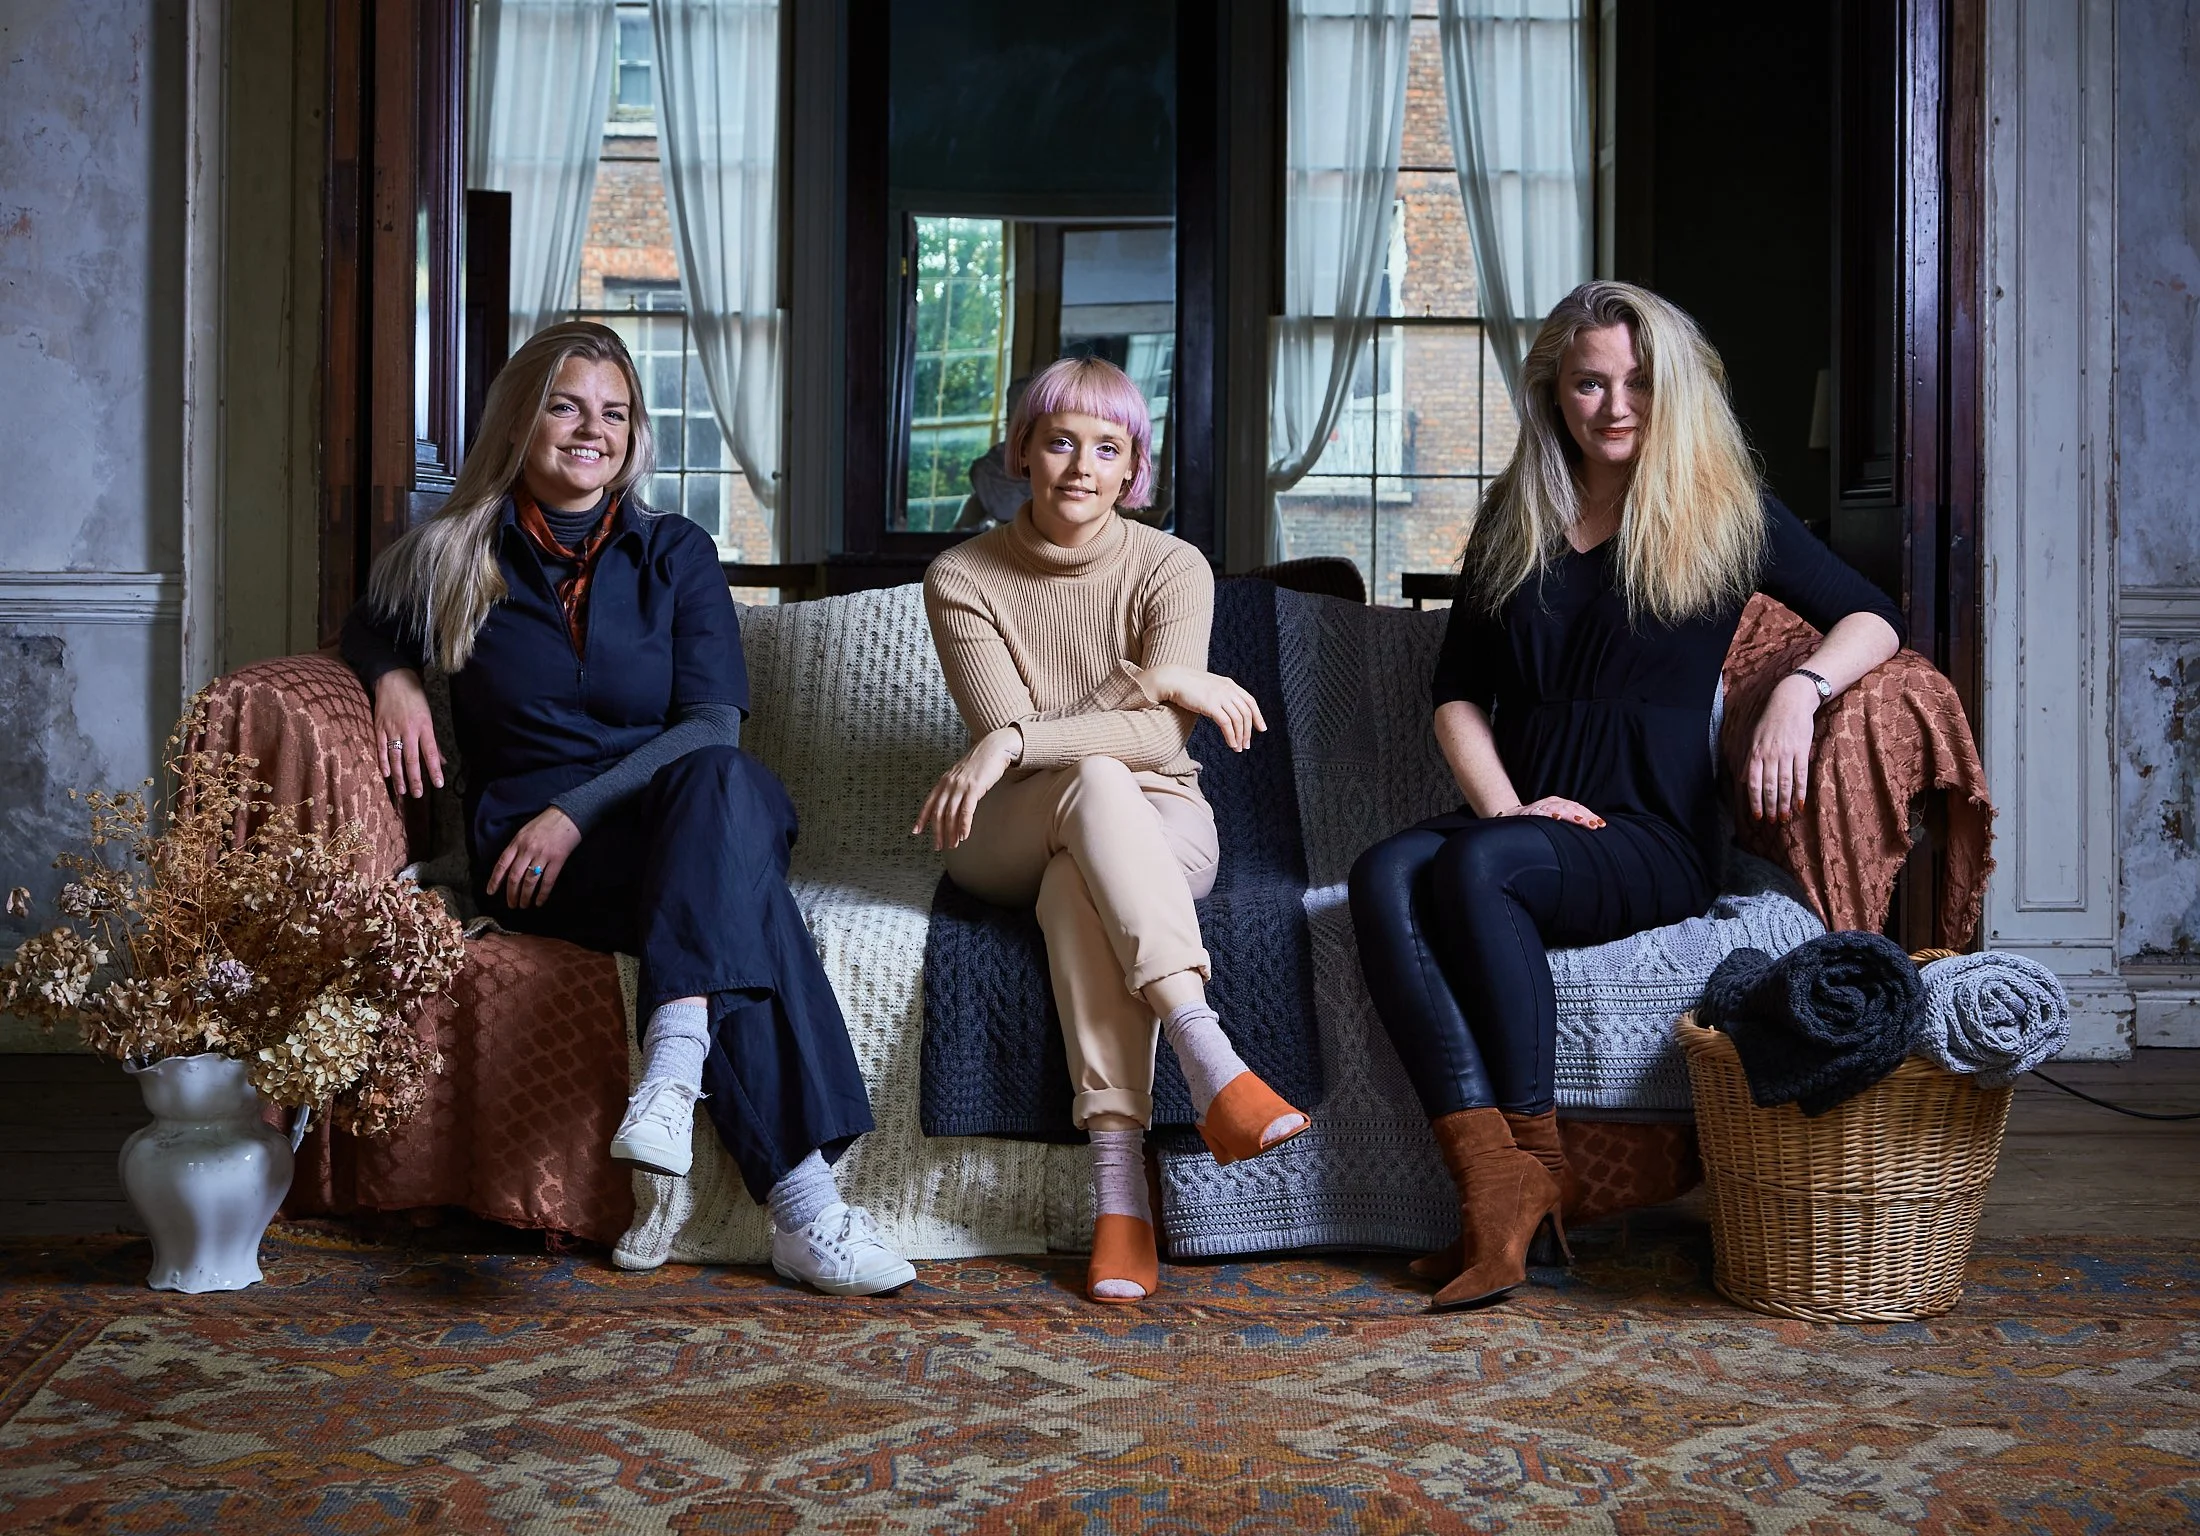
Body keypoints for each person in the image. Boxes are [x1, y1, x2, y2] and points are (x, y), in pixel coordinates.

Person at [1348, 282, 1903, 1309]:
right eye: (1588, 383)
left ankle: (1531, 1171)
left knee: (1475, 864)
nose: (1613, 406)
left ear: (1675, 389)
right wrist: (1510, 810)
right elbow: (1457, 695)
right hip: (1530, 826)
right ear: (1552, 393)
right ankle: (1500, 1185)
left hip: (1647, 834)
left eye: (1638, 382)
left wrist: (1798, 688)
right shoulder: (1516, 521)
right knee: (1382, 870)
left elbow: (1873, 616)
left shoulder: (1724, 515)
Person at [341, 322, 915, 1297]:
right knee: (748, 908)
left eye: (612, 412)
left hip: (677, 820)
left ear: (633, 434)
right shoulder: (446, 559)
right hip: (542, 864)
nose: (588, 430)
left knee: (724, 783)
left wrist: (576, 805)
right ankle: (806, 1211)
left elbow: (710, 726)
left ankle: (676, 1054)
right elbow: (366, 626)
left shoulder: (675, 554)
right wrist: (391, 676)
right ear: (521, 420)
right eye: (565, 406)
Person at [918, 355, 1311, 1305]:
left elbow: (1156, 739)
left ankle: (1120, 1201)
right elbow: (1048, 743)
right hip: (1003, 827)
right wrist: (1143, 683)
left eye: (1108, 447)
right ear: (1021, 451)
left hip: (1163, 818)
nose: (1081, 467)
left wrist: (1027, 732)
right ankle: (1207, 1051)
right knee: (1090, 778)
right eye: (1059, 442)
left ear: (1135, 466)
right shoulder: (962, 577)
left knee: (1077, 887)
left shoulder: (1173, 566)